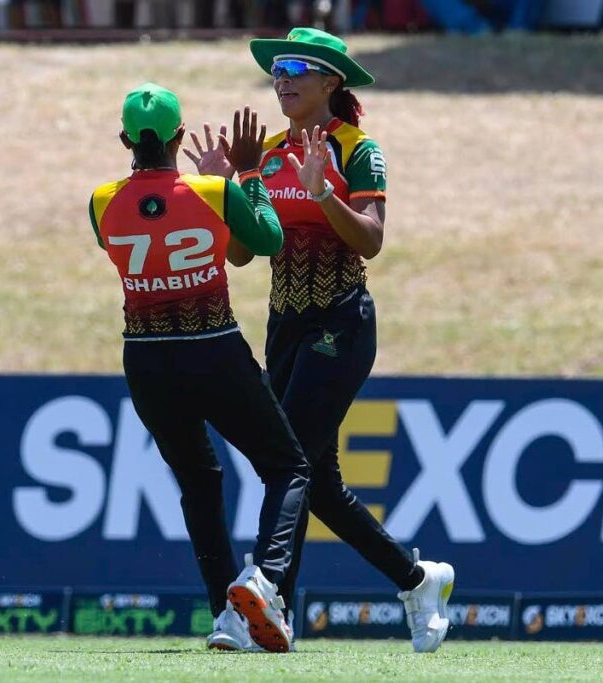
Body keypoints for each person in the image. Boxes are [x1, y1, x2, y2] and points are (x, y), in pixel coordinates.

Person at [185, 28, 456, 653]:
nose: (282, 78)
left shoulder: (359, 149)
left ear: (332, 81)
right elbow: (244, 255)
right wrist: (226, 191)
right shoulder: (271, 150)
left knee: (293, 458)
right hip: (284, 324)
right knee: (314, 480)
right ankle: (419, 582)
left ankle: (265, 595)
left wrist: (324, 194)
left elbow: (371, 240)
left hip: (341, 320)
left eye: (296, 68)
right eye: (277, 69)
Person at [89, 83, 310, 653]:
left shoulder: (99, 201)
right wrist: (247, 177)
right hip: (213, 350)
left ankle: (224, 616)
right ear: (179, 136)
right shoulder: (213, 190)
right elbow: (267, 238)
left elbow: (141, 228)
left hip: (145, 359)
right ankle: (264, 579)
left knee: (198, 482)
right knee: (287, 466)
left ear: (124, 139)